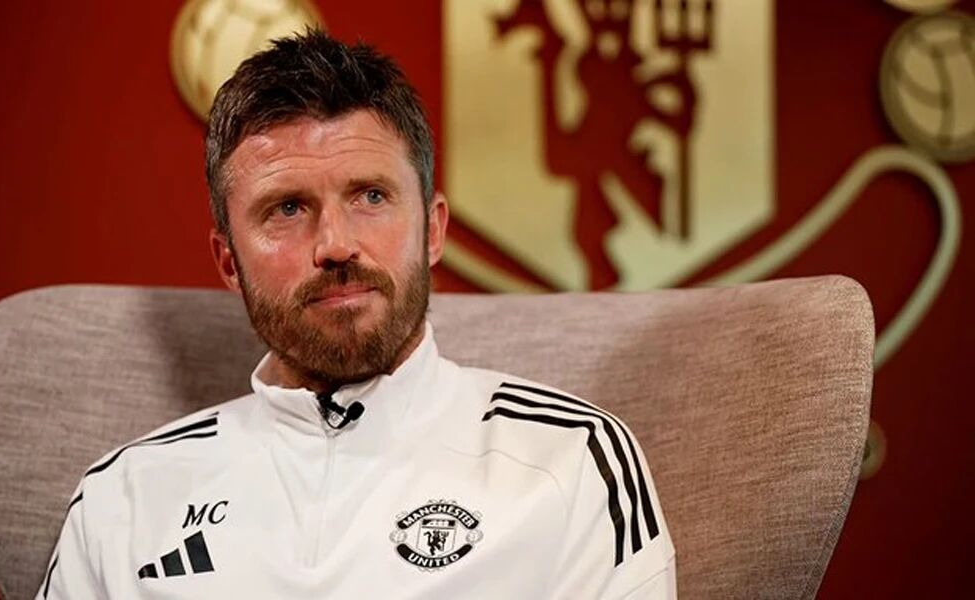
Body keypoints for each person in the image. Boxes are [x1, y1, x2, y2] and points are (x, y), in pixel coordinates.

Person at [37, 29, 675, 599]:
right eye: (287, 208)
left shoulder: (571, 460)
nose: (336, 244)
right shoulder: (123, 500)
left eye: (370, 196)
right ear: (229, 261)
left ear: (432, 230)